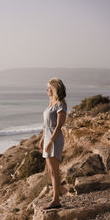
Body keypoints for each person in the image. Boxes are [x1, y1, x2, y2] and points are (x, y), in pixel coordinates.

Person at [39, 78, 67, 209]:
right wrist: (42, 139)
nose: (47, 90)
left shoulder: (61, 104)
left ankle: (56, 200)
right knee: (50, 171)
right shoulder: (51, 104)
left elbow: (58, 126)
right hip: (47, 137)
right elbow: (46, 126)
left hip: (55, 139)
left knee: (55, 171)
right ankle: (54, 198)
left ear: (55, 89)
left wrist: (50, 142)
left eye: (49, 88)